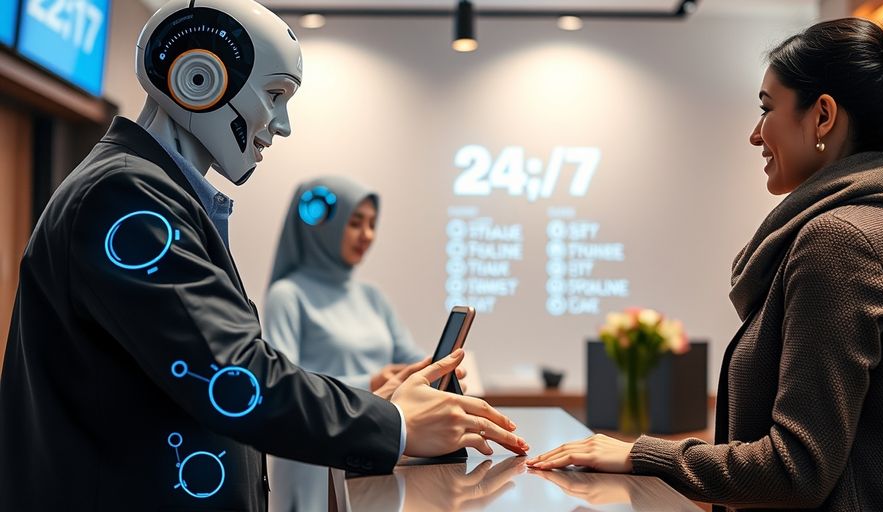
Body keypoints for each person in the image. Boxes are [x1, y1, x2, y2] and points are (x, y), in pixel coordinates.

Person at [0, 1, 525, 510]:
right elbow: (233, 378)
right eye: (274, 95)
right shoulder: (126, 198)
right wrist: (397, 425)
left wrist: (381, 406)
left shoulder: (143, 192)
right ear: (199, 80)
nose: (282, 124)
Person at [528, 4, 883, 511]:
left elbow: (794, 470)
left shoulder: (842, 241)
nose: (755, 134)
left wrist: (643, 454)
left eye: (766, 108)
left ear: (823, 116)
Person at [264, 176, 426, 512]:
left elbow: (411, 359)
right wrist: (371, 383)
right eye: (355, 223)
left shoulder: (372, 297)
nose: (367, 235)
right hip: (313, 462)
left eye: (372, 224)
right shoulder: (288, 295)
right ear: (321, 223)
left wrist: (436, 371)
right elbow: (282, 390)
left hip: (372, 452)